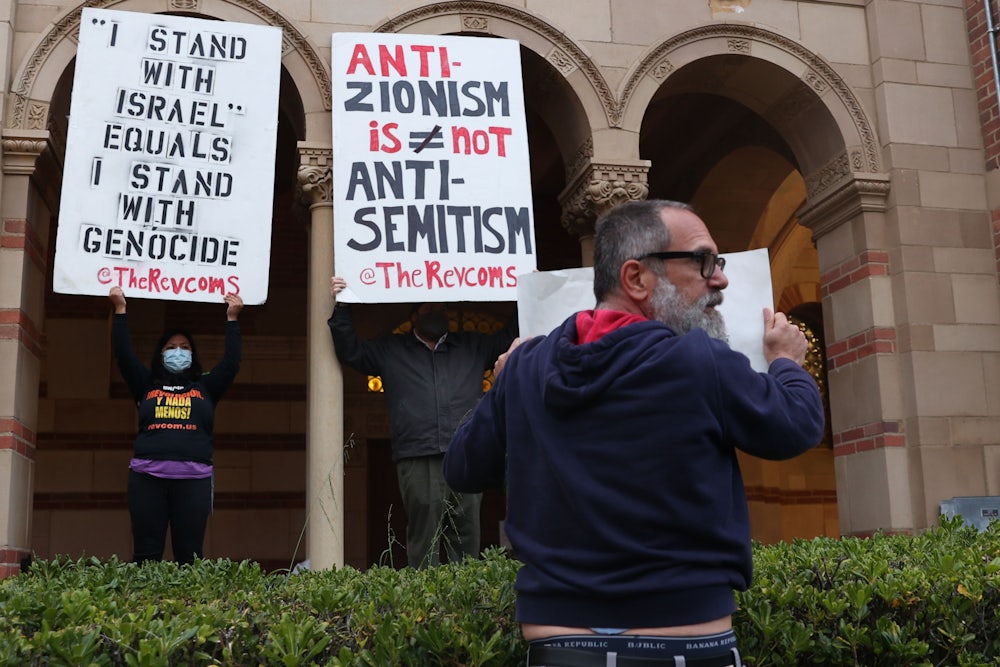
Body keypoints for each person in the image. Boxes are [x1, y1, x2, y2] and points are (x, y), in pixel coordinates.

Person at [443, 200, 825, 667]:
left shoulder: (527, 366)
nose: (720, 279)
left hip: (560, 645)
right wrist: (786, 363)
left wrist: (504, 384)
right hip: (687, 644)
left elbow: (462, 468)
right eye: (703, 261)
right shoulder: (699, 360)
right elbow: (795, 425)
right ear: (636, 278)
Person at [328, 276, 518, 568]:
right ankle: (424, 595)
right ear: (414, 315)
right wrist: (342, 305)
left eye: (442, 308)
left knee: (466, 534)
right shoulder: (391, 349)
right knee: (424, 536)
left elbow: (511, 336)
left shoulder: (471, 345)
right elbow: (351, 350)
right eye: (430, 308)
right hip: (417, 455)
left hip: (466, 454)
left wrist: (526, 292)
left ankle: (464, 594)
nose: (438, 313)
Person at [109, 286, 243, 565]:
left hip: (194, 482)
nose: (178, 352)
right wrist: (120, 310)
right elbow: (124, 356)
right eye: (171, 348)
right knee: (146, 557)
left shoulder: (206, 386)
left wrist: (232, 319)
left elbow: (231, 365)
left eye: (184, 347)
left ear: (193, 354)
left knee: (189, 557)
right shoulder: (145, 383)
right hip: (147, 479)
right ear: (160, 355)